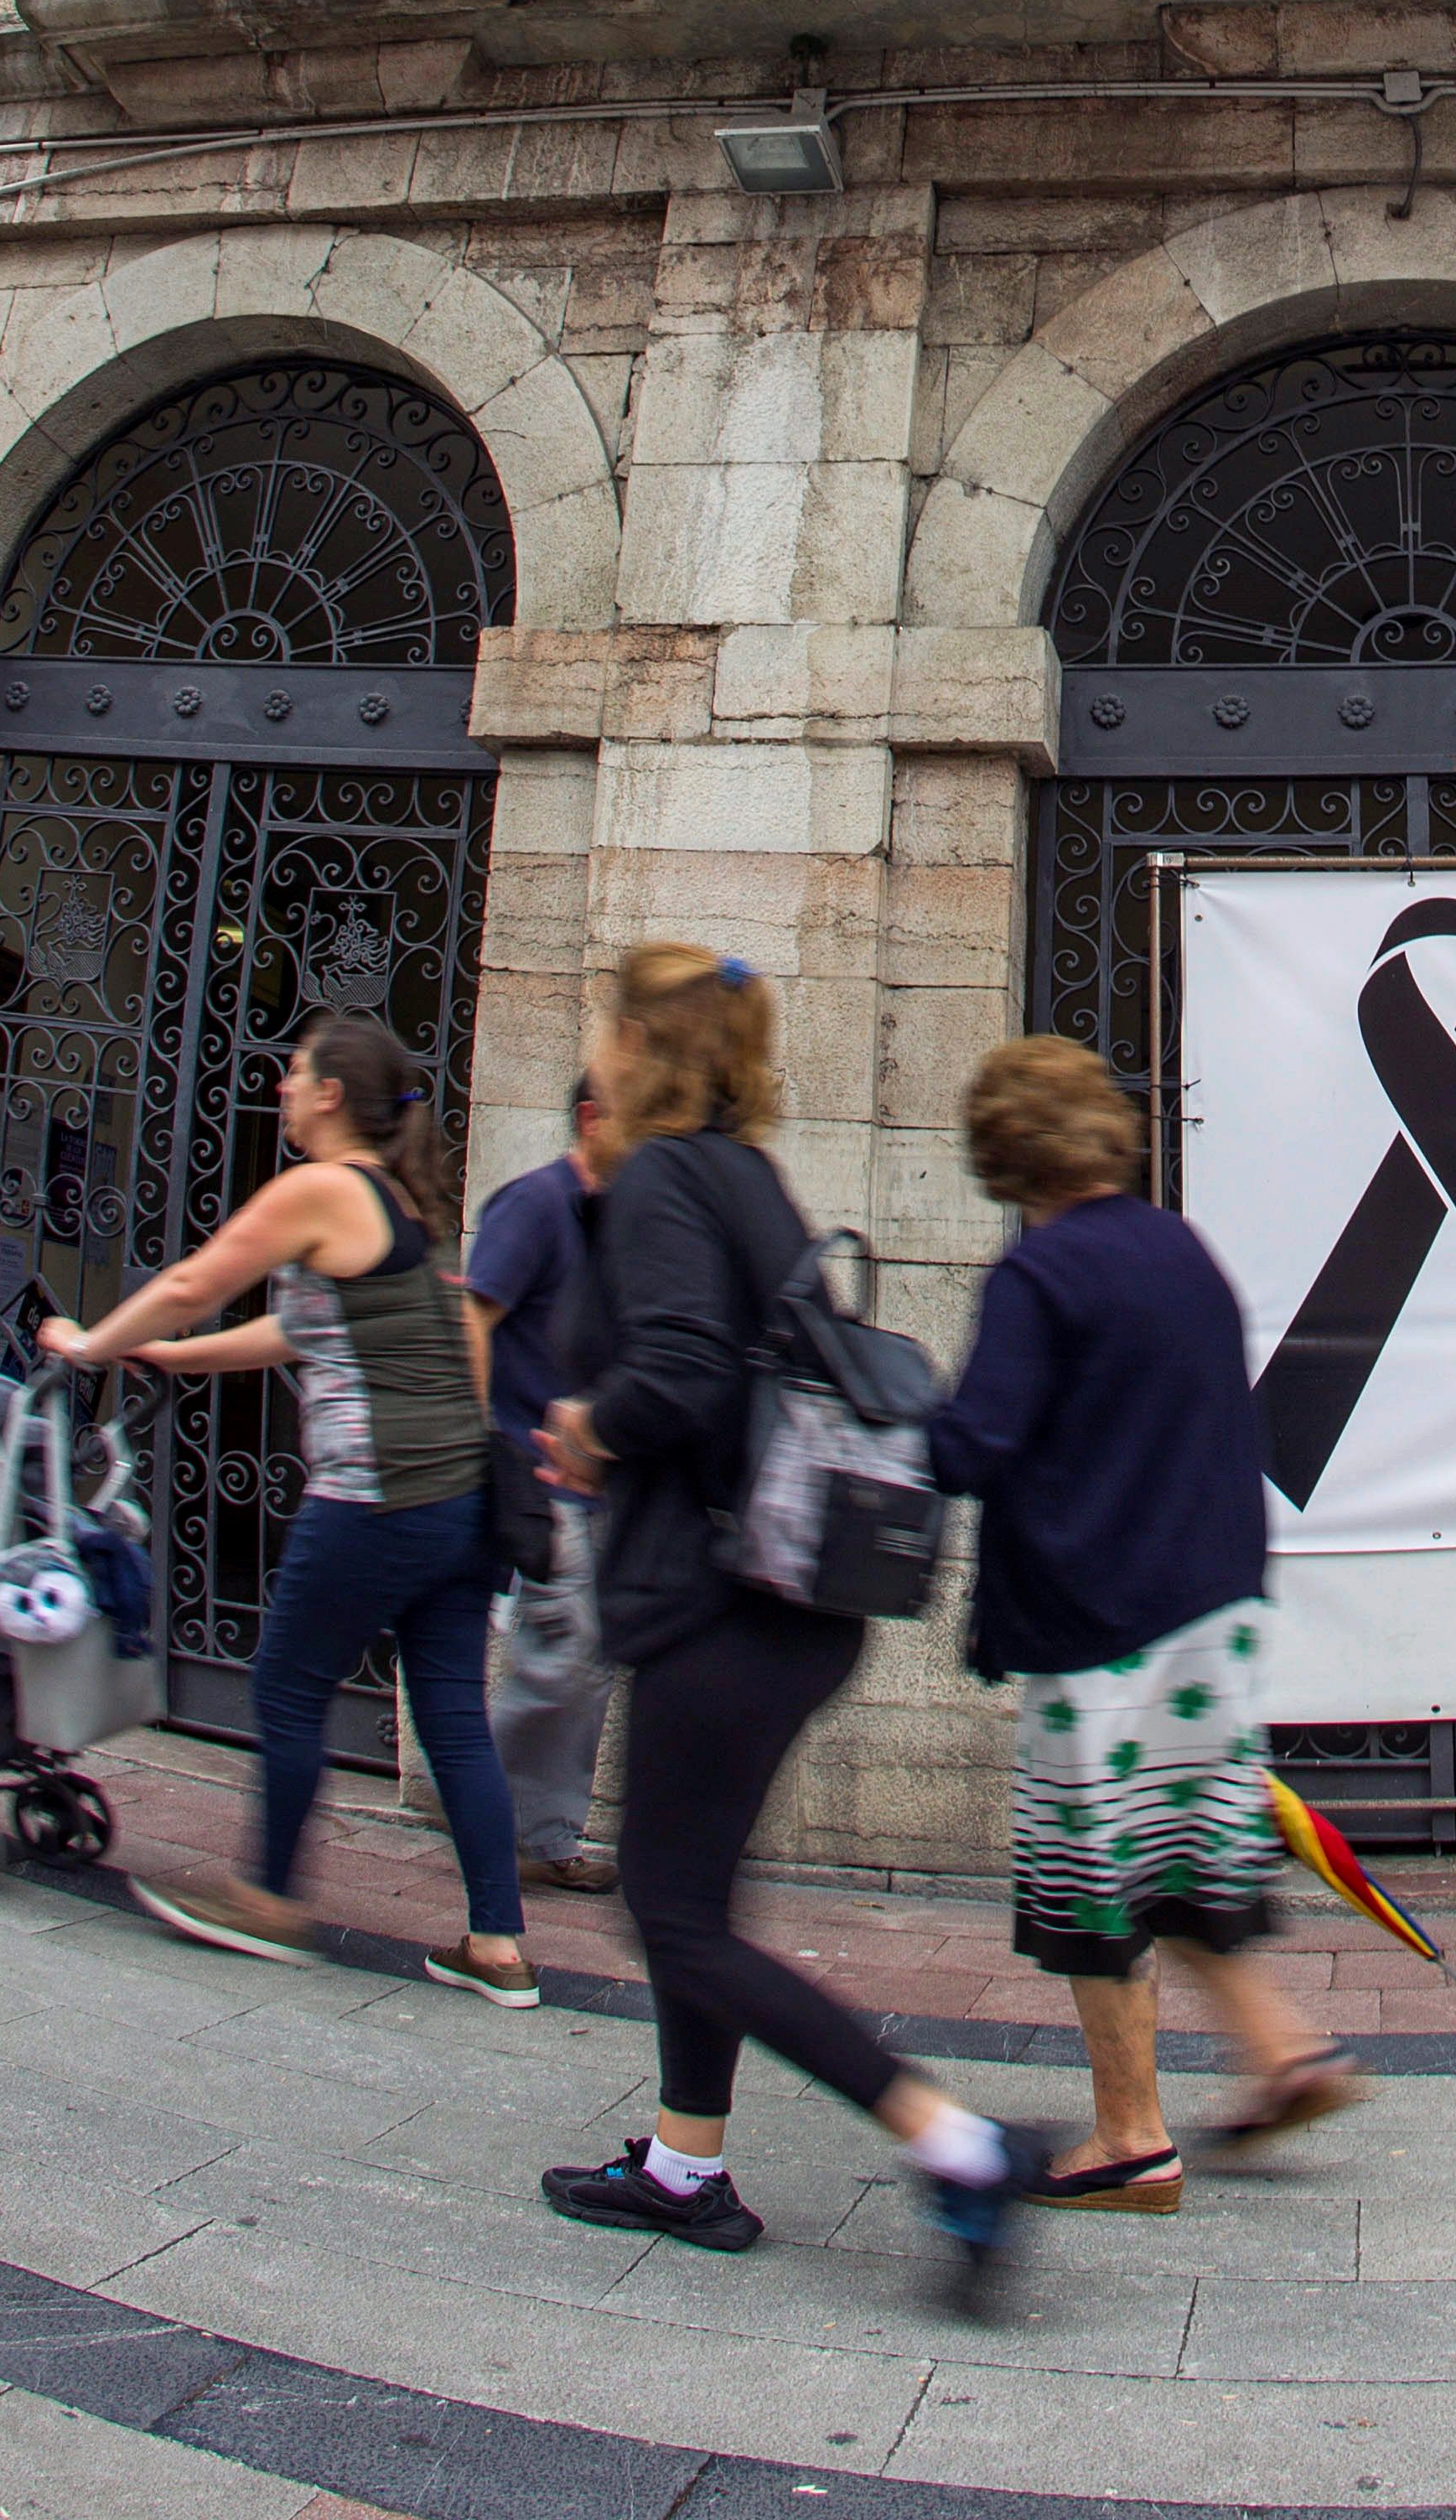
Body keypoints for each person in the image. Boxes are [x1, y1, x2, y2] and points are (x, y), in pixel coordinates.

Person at [533, 941, 1049, 2283]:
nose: (594, 1052)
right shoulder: (745, 1178)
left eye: (606, 1027)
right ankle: (684, 2166)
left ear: (641, 1046)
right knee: (689, 1895)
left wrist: (592, 1423)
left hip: (722, 1601)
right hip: (788, 1597)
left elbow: (686, 1373)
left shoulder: (659, 1179)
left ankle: (955, 2141)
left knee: (675, 1911)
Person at [930, 1034, 1367, 2214]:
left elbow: (974, 1444)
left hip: (1098, 1618)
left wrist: (887, 1420)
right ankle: (1284, 2054)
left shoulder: (1042, 1274)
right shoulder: (1182, 1250)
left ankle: (1129, 2135)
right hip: (1210, 1600)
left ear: (1004, 1150)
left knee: (1096, 1879)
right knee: (1183, 1843)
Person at [38, 1013, 531, 2004]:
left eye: (295, 1073)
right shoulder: (398, 1202)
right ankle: (499, 1946)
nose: (280, 1086)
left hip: (378, 1490)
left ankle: (268, 1897)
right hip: (458, 1502)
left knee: (285, 1682)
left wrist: (91, 1345)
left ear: (333, 1095)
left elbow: (193, 1280)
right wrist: (177, 1357)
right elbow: (294, 1329)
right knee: (453, 1718)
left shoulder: (321, 1187)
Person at [467, 1077, 617, 1894]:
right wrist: (490, 1446)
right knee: (561, 1657)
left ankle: (549, 1833)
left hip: (598, 1484)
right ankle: (482, 1807)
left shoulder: (614, 1220)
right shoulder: (534, 1205)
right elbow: (475, 1319)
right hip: (540, 1480)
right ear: (592, 1119)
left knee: (582, 1664)